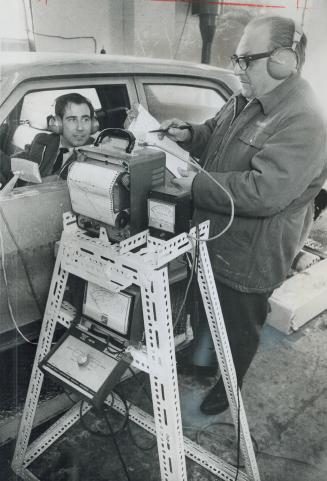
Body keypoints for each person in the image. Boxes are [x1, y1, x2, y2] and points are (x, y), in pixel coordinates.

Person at [158, 15, 327, 415]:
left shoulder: (303, 120)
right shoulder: (244, 99)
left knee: (239, 325)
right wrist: (190, 135)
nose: (238, 69)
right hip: (216, 234)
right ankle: (202, 361)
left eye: (246, 60)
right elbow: (214, 135)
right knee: (207, 306)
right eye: (236, 59)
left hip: (253, 251)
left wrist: (196, 187)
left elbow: (266, 192)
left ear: (282, 61)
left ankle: (229, 385)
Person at [1, 92, 98, 185]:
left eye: (85, 119)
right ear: (57, 123)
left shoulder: (96, 153)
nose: (80, 128)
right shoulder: (43, 140)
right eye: (72, 119)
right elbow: (15, 164)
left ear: (93, 124)